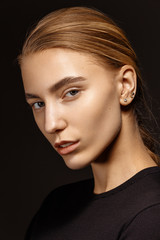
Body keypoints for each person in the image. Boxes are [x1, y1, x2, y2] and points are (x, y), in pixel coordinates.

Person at [18, 6, 160, 240]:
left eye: (71, 92)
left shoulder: (151, 215)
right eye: (38, 104)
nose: (51, 124)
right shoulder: (55, 207)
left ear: (125, 85)